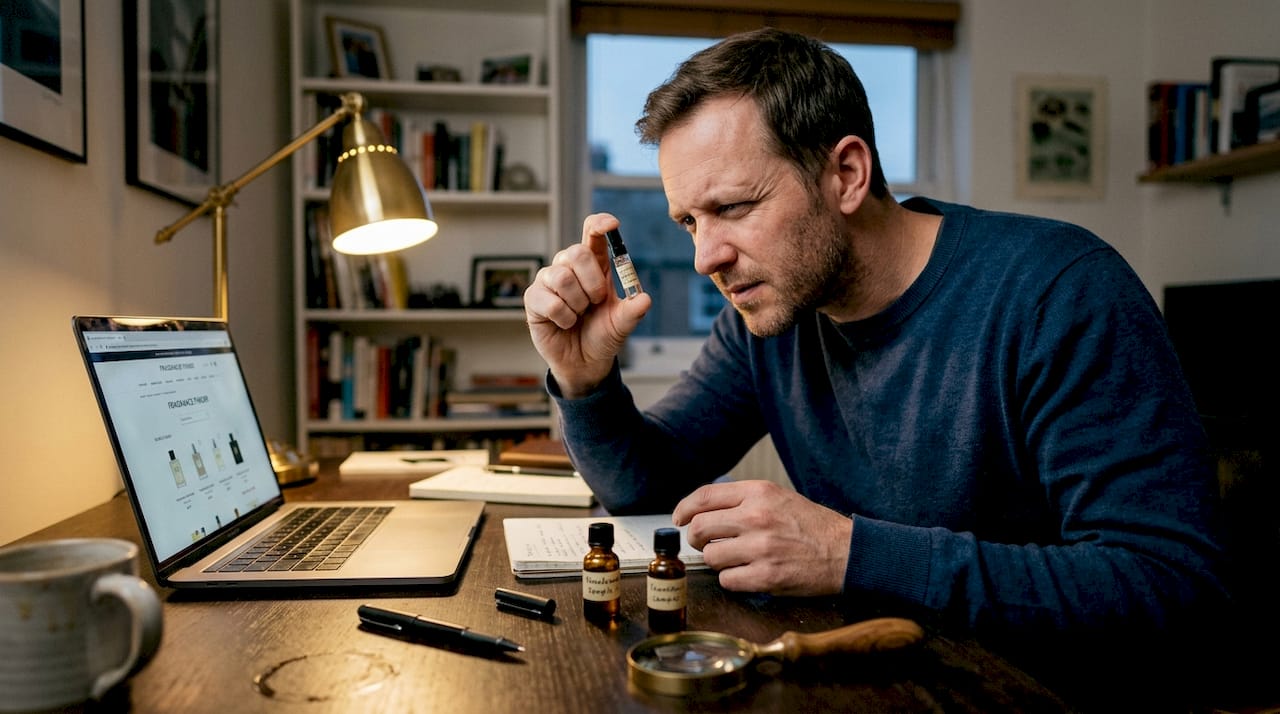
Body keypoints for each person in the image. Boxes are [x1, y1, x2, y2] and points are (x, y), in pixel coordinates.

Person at [523, 28, 1237, 709]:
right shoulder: (770, 318)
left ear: (847, 174)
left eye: (733, 208)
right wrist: (584, 380)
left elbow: (1171, 588)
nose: (707, 256)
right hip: (879, 677)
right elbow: (644, 486)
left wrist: (849, 554)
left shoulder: (1060, 293)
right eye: (689, 222)